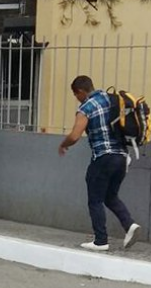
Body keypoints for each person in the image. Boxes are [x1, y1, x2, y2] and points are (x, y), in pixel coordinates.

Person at [58, 75, 142, 251]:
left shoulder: (86, 107)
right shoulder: (110, 99)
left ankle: (101, 240)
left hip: (103, 157)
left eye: (75, 94)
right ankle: (130, 225)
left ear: (81, 91)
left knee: (95, 199)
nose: (76, 98)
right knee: (110, 196)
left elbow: (74, 136)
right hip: (121, 157)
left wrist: (63, 145)